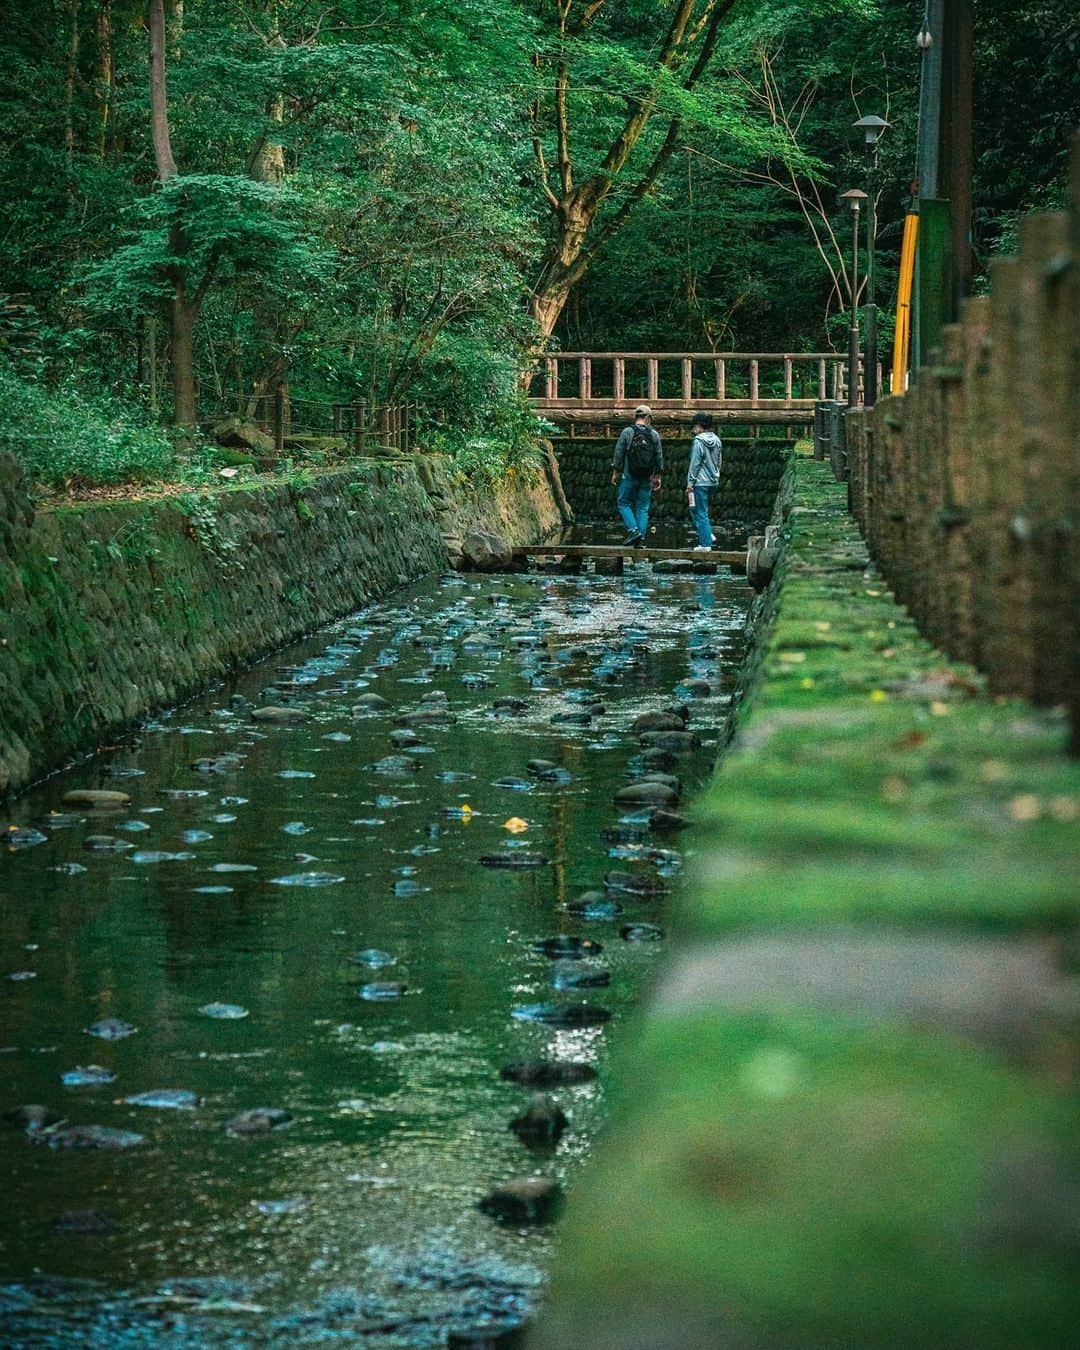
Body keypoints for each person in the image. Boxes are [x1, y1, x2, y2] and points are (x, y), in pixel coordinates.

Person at [611, 405, 663, 546]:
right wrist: (657, 476)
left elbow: (619, 453)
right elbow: (658, 456)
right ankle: (640, 539)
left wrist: (616, 471)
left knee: (623, 503)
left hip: (629, 475)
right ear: (647, 417)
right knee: (643, 508)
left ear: (637, 416)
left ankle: (634, 530)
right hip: (647, 478)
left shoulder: (627, 432)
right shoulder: (654, 435)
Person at [686, 412, 722, 550]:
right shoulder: (717, 440)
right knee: (695, 509)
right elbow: (719, 461)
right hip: (712, 481)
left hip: (699, 482)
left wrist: (690, 482)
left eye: (695, 426)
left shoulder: (698, 441)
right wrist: (716, 476)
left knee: (699, 511)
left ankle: (705, 544)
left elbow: (695, 463)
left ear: (699, 426)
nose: (693, 429)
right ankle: (707, 534)